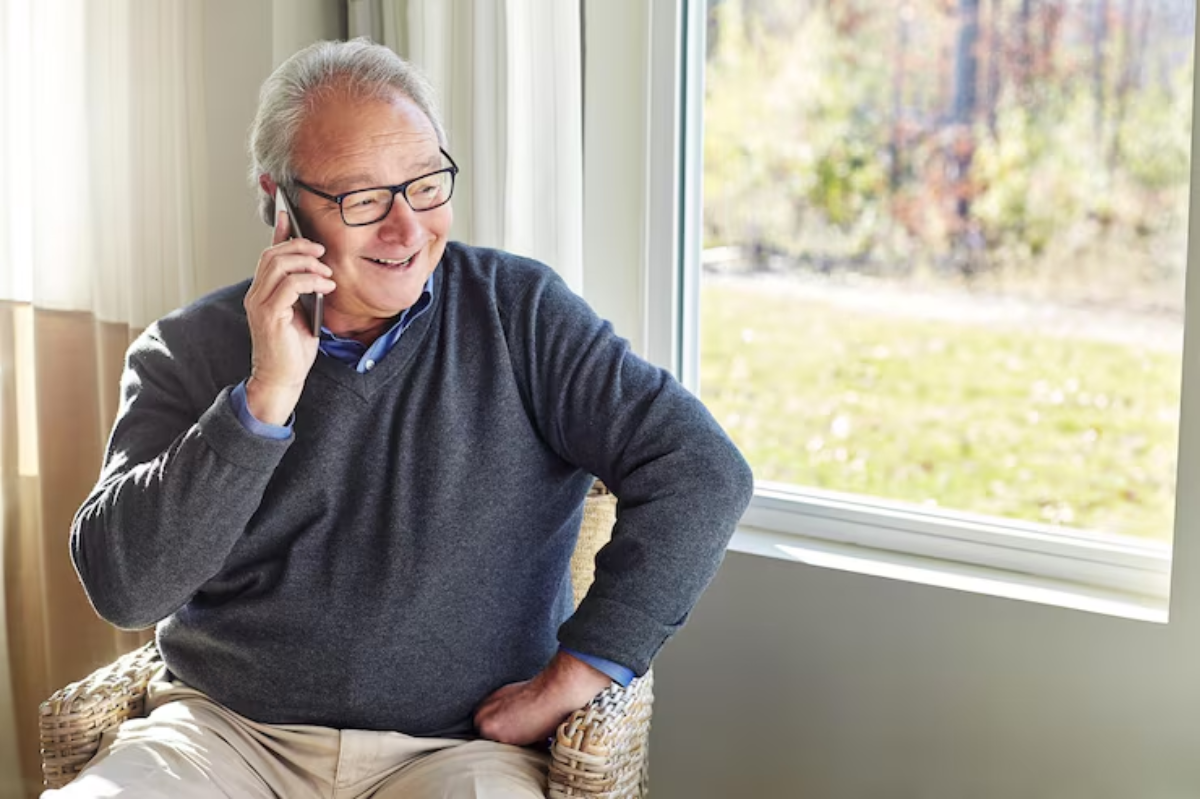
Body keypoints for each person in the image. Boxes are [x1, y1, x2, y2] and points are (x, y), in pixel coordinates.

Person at [51, 38, 752, 799]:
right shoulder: (187, 348)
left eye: (425, 185)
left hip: (459, 753)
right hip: (223, 735)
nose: (408, 230)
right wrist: (263, 400)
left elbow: (702, 469)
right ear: (279, 202)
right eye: (362, 198)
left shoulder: (521, 314)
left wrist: (575, 674)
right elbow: (127, 590)